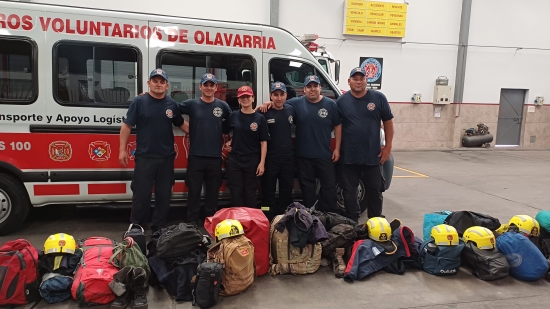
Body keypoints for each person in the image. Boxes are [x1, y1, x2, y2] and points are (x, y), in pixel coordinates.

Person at [259, 75, 342, 214]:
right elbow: (279, 104)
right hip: (303, 155)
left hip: (324, 154)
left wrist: (337, 148)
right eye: (309, 86)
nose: (312, 89)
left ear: (320, 88)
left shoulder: (331, 104)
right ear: (304, 89)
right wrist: (265, 104)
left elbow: (338, 126)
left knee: (329, 187)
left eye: (315, 86)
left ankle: (330, 216)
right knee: (306, 188)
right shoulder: (295, 103)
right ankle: (309, 215)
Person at [119, 68, 186, 232]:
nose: (158, 84)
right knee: (141, 196)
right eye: (155, 81)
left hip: (166, 158)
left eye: (162, 82)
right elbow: (127, 126)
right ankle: (137, 228)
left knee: (164, 196)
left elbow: (181, 124)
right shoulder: (139, 102)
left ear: (167, 85)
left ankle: (159, 229)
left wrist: (202, 132)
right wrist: (122, 150)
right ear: (149, 83)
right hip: (145, 157)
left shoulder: (172, 104)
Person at [337, 67, 394, 222]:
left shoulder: (379, 98)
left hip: (373, 155)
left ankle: (376, 222)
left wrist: (388, 147)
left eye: (361, 78)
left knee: (375, 190)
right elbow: (336, 125)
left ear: (366, 81)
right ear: (349, 81)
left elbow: (388, 123)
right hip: (349, 156)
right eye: (355, 78)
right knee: (349, 191)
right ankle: (352, 222)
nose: (358, 81)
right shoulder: (342, 101)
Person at [179, 73, 232, 225]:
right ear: (200, 87)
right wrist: (187, 128)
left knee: (212, 193)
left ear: (216, 87)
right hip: (196, 156)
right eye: (206, 85)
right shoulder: (191, 104)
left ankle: (211, 221)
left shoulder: (223, 106)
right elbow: (171, 110)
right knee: (194, 192)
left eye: (212, 85)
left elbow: (236, 121)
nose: (209, 88)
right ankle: (192, 222)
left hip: (215, 157)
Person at [224, 85, 269, 208]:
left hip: (252, 160)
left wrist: (262, 163)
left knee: (250, 194)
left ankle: (251, 223)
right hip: (235, 161)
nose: (245, 99)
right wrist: (229, 142)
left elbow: (263, 142)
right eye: (242, 97)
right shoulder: (233, 116)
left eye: (247, 97)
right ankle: (238, 223)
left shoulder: (260, 118)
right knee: (236, 193)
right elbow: (224, 131)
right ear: (238, 100)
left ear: (253, 98)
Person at [259, 82, 296, 217]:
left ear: (286, 95)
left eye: (282, 94)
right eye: (276, 95)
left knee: (286, 190)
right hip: (270, 158)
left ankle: (284, 218)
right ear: (271, 96)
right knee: (268, 191)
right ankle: (267, 218)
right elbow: (250, 115)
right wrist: (261, 105)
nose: (279, 98)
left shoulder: (291, 109)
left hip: (287, 158)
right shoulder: (264, 111)